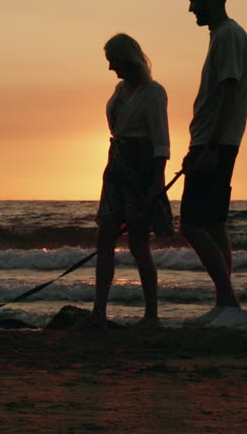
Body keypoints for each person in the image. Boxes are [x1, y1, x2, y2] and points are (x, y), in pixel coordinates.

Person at [76, 34, 175, 331]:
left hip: (141, 169)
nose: (110, 69)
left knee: (138, 244)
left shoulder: (154, 92)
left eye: (113, 62)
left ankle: (151, 315)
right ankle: (99, 312)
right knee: (104, 236)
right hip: (116, 167)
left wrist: (156, 183)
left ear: (127, 59)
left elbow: (161, 142)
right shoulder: (120, 90)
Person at [180, 0, 247, 329]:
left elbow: (228, 90)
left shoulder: (227, 36)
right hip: (215, 141)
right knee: (213, 224)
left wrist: (208, 146)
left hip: (216, 143)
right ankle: (226, 305)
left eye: (194, 0)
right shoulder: (225, 36)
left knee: (192, 225)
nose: (190, 7)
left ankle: (230, 303)